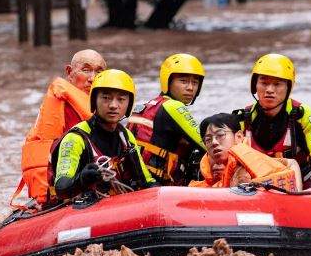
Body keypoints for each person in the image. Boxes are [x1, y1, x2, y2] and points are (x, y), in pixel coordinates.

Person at [11, 49, 107, 209]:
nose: (92, 78)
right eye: (86, 70)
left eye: (99, 72)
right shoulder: (63, 105)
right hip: (61, 189)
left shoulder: (102, 107)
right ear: (69, 72)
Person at [49, 69, 155, 201]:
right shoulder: (76, 138)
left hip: (117, 206)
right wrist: (82, 179)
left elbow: (146, 181)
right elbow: (62, 189)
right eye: (106, 98)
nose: (113, 105)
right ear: (94, 101)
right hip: (81, 211)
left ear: (129, 105)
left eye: (121, 99)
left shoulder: (126, 136)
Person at [233, 53, 311, 190]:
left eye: (277, 84)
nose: (269, 90)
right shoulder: (242, 118)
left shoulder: (303, 115)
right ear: (255, 85)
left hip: (302, 187)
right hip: (254, 189)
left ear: (288, 88)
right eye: (264, 83)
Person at [127, 53, 206, 185]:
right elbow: (206, 144)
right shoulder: (173, 107)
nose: (190, 88)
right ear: (167, 81)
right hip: (159, 186)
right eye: (183, 81)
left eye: (195, 82)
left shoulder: (149, 106)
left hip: (135, 182)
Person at [189, 113, 301, 190]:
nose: (214, 142)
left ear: (238, 137)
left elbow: (291, 163)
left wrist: (297, 192)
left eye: (220, 135)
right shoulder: (210, 165)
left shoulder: (251, 164)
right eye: (208, 139)